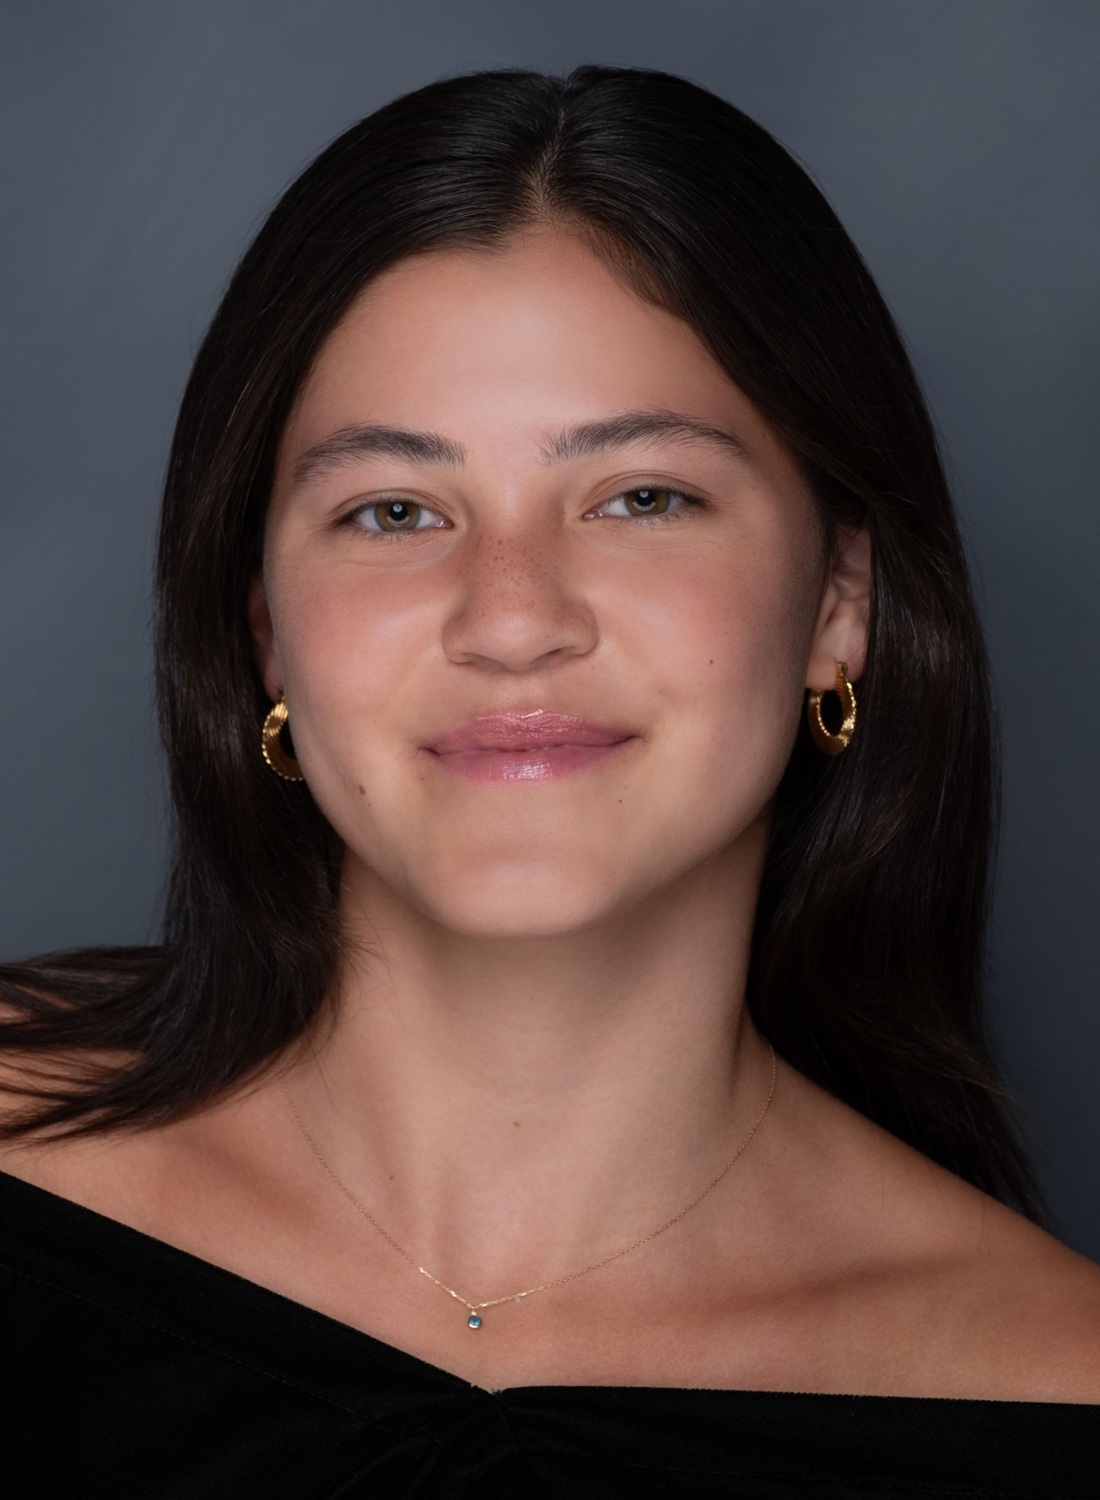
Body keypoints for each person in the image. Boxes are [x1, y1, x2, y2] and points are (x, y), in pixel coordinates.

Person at [1, 64, 1097, 1497]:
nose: (511, 618)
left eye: (643, 497)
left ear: (842, 606)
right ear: (264, 630)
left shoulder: (1057, 1395)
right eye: (394, 511)